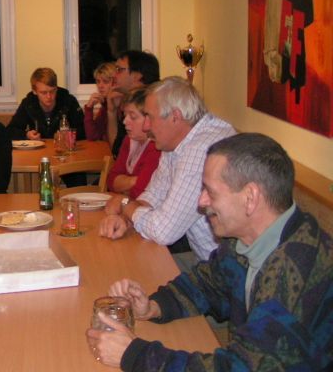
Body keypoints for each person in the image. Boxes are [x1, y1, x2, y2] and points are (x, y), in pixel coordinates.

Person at [87, 133, 333, 371]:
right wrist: (154, 306)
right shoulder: (247, 238)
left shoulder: (296, 269)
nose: (201, 201)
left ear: (250, 198)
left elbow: (242, 367)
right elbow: (209, 284)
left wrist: (134, 355)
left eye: (210, 192)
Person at [99, 77, 235, 262]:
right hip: (206, 262)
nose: (146, 126)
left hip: (222, 270)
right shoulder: (176, 141)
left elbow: (163, 231)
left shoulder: (201, 149)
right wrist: (126, 219)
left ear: (175, 117)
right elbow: (155, 193)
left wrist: (126, 205)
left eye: (150, 117)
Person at [106, 88, 160, 199]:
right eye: (125, 115)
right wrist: (134, 181)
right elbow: (110, 181)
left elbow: (139, 193)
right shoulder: (129, 140)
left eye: (132, 116)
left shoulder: (156, 147)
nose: (125, 121)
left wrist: (124, 184)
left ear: (149, 119)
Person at [7, 67, 84, 140]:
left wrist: (68, 135)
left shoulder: (68, 101)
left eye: (52, 91)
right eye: (43, 93)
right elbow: (10, 131)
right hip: (38, 148)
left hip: (62, 147)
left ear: (56, 88)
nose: (49, 96)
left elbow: (84, 130)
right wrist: (27, 135)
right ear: (34, 91)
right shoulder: (28, 103)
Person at [107, 51, 160, 156]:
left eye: (119, 70)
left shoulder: (151, 104)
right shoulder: (130, 102)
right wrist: (111, 112)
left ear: (137, 76)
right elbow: (117, 151)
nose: (113, 75)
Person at [84, 62, 115, 141]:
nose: (100, 86)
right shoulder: (105, 105)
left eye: (105, 81)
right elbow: (92, 136)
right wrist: (89, 108)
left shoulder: (119, 105)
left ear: (115, 83)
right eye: (98, 81)